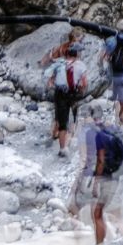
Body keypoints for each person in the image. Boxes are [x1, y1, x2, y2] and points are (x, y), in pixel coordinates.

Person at [69, 101, 123, 245]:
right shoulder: (111, 127)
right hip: (117, 175)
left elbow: (90, 161)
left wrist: (82, 183)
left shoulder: (91, 133)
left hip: (104, 178)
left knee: (97, 214)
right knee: (113, 214)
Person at [43, 27, 88, 156]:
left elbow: (55, 65)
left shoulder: (65, 49)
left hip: (60, 89)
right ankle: (66, 140)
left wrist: (52, 80)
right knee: (71, 115)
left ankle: (58, 136)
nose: (81, 41)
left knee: (60, 114)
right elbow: (83, 82)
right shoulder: (71, 50)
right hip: (71, 90)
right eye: (80, 39)